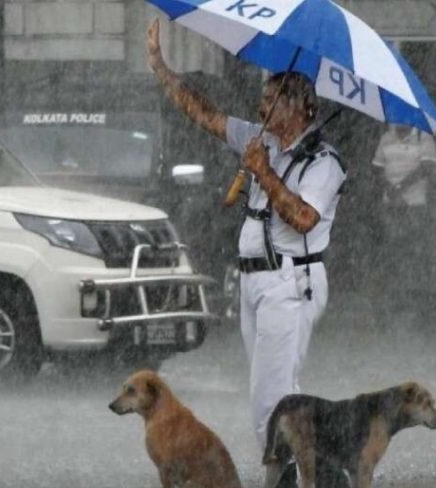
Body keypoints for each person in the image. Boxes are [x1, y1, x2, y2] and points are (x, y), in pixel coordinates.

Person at [146, 19, 347, 450]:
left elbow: (304, 218)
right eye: (263, 100)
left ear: (299, 106)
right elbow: (206, 115)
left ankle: (291, 486)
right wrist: (162, 69)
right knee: (268, 392)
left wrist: (263, 171)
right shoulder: (263, 140)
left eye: (271, 101)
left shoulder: (323, 162)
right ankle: (294, 482)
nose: (262, 110)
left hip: (290, 281)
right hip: (254, 281)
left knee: (270, 396)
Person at [371, 124, 436, 320]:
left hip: (415, 205)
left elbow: (427, 168)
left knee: (415, 251)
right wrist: (390, 188)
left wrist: (401, 187)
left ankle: (415, 299)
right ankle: (397, 297)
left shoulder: (424, 137)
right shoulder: (386, 137)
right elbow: (377, 168)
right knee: (394, 251)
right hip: (391, 205)